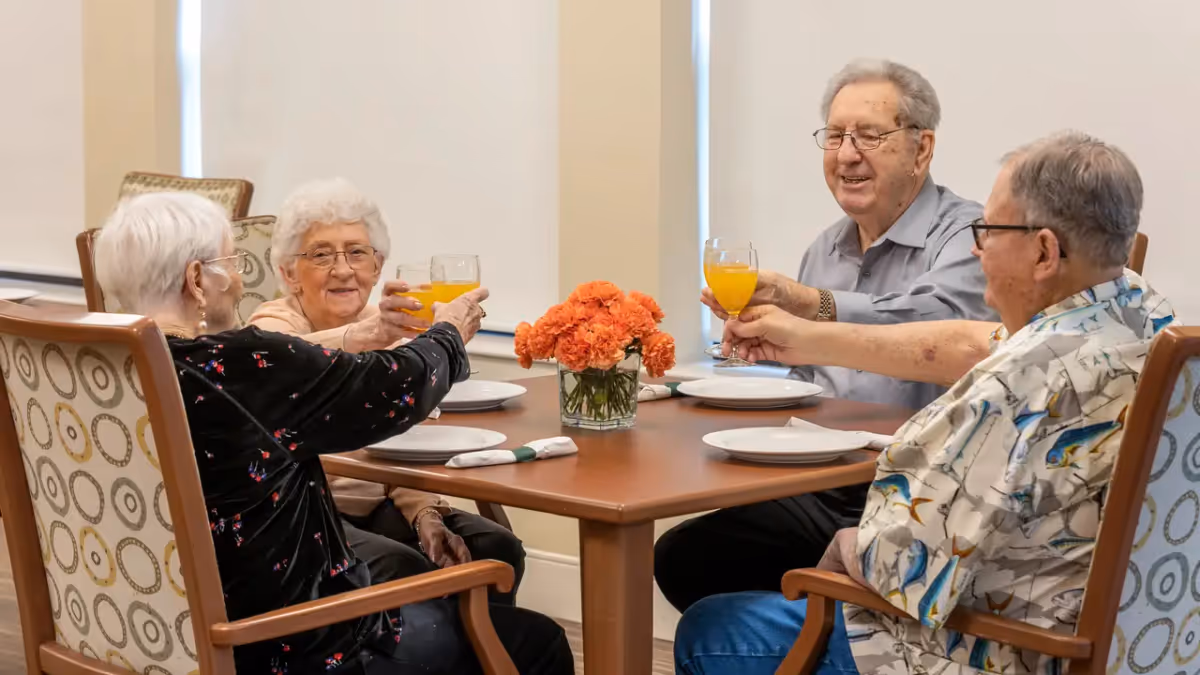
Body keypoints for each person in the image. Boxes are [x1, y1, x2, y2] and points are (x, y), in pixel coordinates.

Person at [673, 132, 1175, 675]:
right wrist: (804, 334)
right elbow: (968, 342)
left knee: (712, 626)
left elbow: (903, 568)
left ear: (1044, 251)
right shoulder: (1143, 317)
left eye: (989, 231)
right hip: (1139, 646)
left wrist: (847, 547)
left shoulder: (1017, 384)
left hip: (993, 653)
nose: (976, 248)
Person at [94, 192, 572, 675]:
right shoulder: (242, 364)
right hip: (293, 647)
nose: (239, 281)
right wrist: (448, 332)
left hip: (145, 635)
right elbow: (395, 387)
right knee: (539, 641)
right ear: (198, 280)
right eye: (231, 262)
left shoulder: (99, 370)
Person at [657, 58, 994, 614]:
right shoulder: (827, 248)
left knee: (705, 560)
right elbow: (805, 383)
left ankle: (832, 637)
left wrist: (812, 307)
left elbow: (938, 326)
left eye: (869, 135)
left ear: (922, 148)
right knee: (685, 554)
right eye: (835, 136)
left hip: (918, 493)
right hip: (822, 478)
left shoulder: (969, 234)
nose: (846, 154)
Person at [248, 178, 525, 601]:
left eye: (358, 252)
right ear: (288, 273)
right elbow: (287, 359)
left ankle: (490, 657)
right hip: (308, 517)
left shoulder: (392, 328)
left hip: (378, 505)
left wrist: (425, 514)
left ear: (377, 267)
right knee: (403, 567)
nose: (343, 269)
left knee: (496, 551)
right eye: (321, 255)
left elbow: (401, 440)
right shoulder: (272, 326)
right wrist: (365, 335)